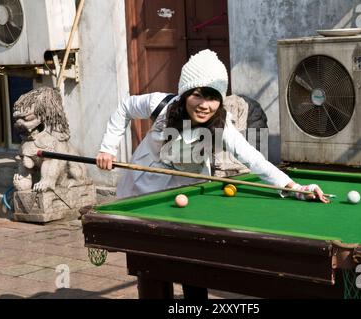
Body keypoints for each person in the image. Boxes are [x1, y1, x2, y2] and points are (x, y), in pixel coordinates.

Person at [96, 49, 330, 299]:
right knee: (151, 261)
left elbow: (253, 158)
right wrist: (107, 149)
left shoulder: (222, 124)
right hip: (145, 191)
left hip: (190, 192)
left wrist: (293, 187)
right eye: (198, 95)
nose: (205, 105)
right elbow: (125, 108)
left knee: (192, 261)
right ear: (185, 93)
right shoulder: (162, 105)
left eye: (213, 97)